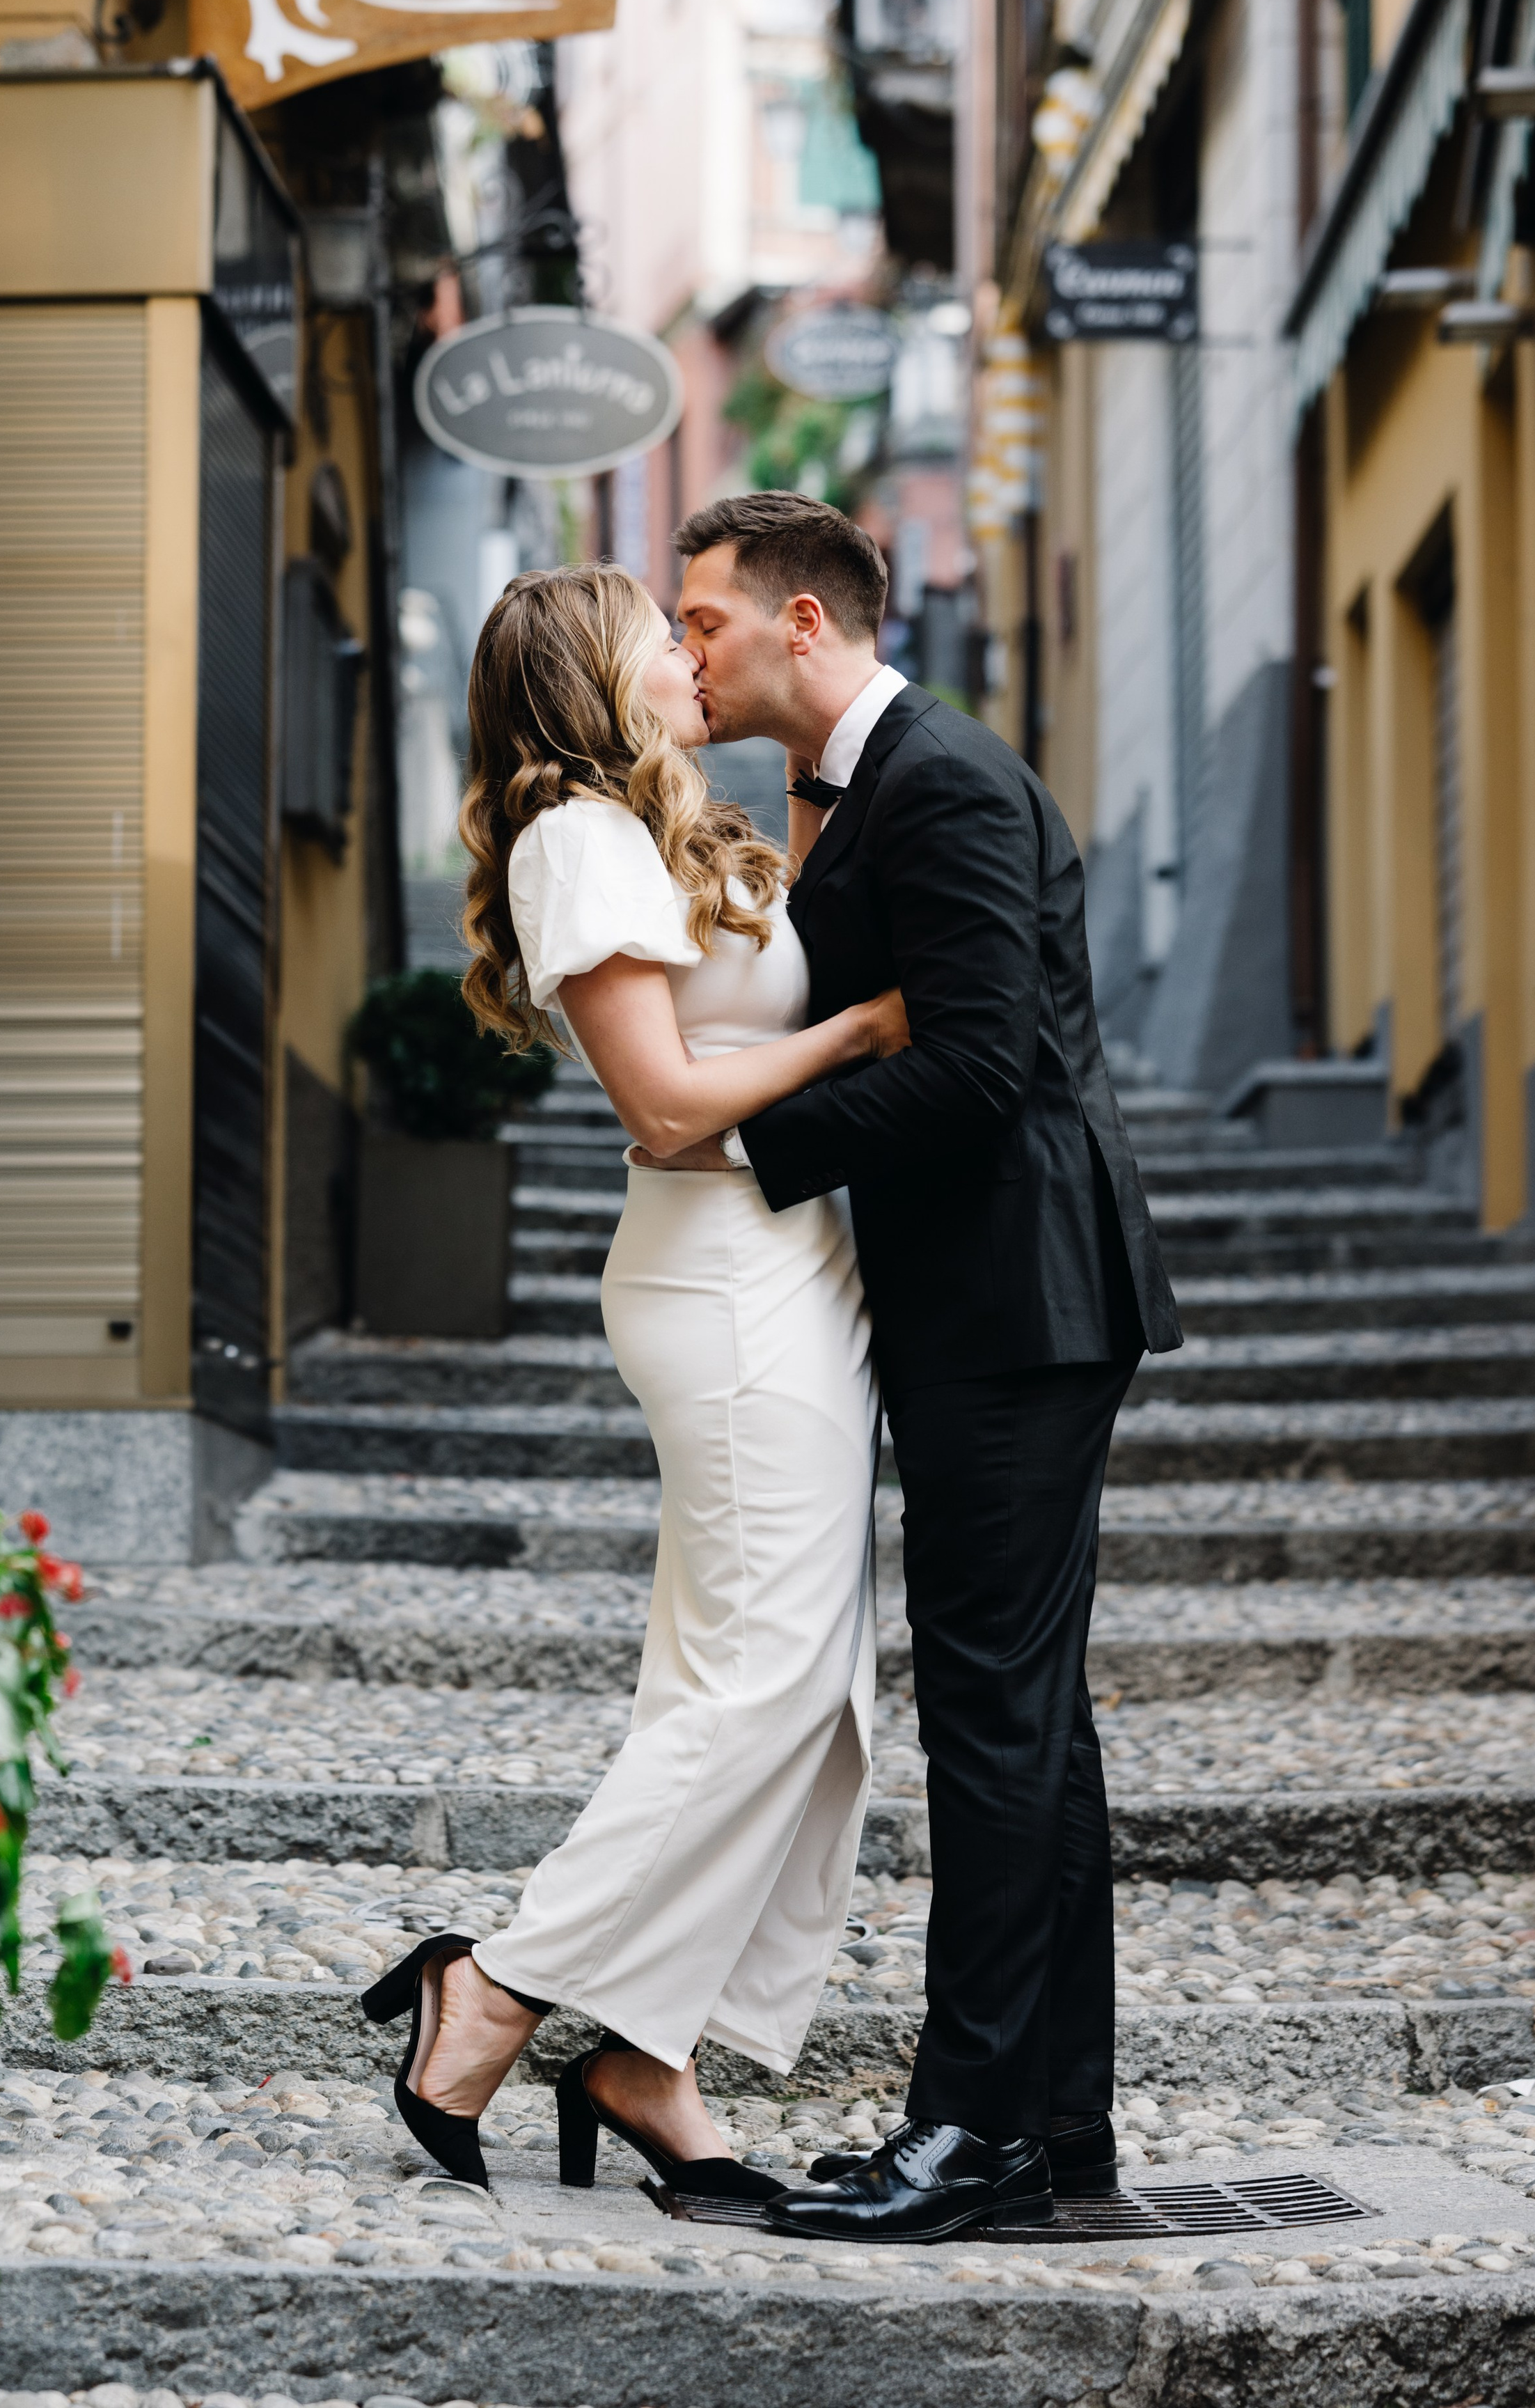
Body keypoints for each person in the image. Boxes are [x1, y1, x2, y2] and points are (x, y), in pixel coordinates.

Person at [647, 490, 1183, 2246]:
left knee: (991, 1712)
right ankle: (1052, 2122)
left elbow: (981, 1065)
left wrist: (747, 1143)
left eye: (703, 619)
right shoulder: (864, 787)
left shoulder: (941, 780)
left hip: (1016, 1299)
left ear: (803, 624)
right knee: (1034, 1716)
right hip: (994, 1297)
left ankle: (970, 2136)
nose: (684, 649)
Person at [360, 561, 912, 2217]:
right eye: (658, 640)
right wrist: (859, 1031)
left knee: (784, 1695)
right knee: (762, 1685)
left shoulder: (665, 827)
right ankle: (500, 1986)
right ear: (590, 676)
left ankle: (645, 2058)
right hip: (720, 1274)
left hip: (790, 1270)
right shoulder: (569, 839)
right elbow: (668, 1107)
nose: (688, 657)